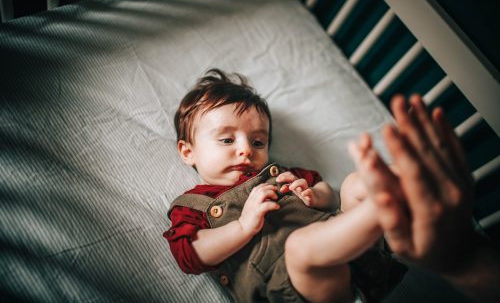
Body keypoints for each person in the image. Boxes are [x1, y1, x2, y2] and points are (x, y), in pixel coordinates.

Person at [164, 69, 406, 303]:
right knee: (299, 247)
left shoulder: (282, 175)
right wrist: (242, 226)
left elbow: (330, 196)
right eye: (227, 139)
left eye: (258, 142)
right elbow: (190, 255)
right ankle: (385, 213)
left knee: (354, 184)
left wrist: (314, 195)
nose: (246, 150)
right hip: (294, 284)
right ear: (188, 152)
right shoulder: (193, 207)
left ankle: (406, 185)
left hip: (350, 250)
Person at [348, 94, 500, 303]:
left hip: (355, 242)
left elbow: (324, 194)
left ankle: (402, 187)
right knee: (298, 249)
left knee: (352, 184)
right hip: (328, 262)